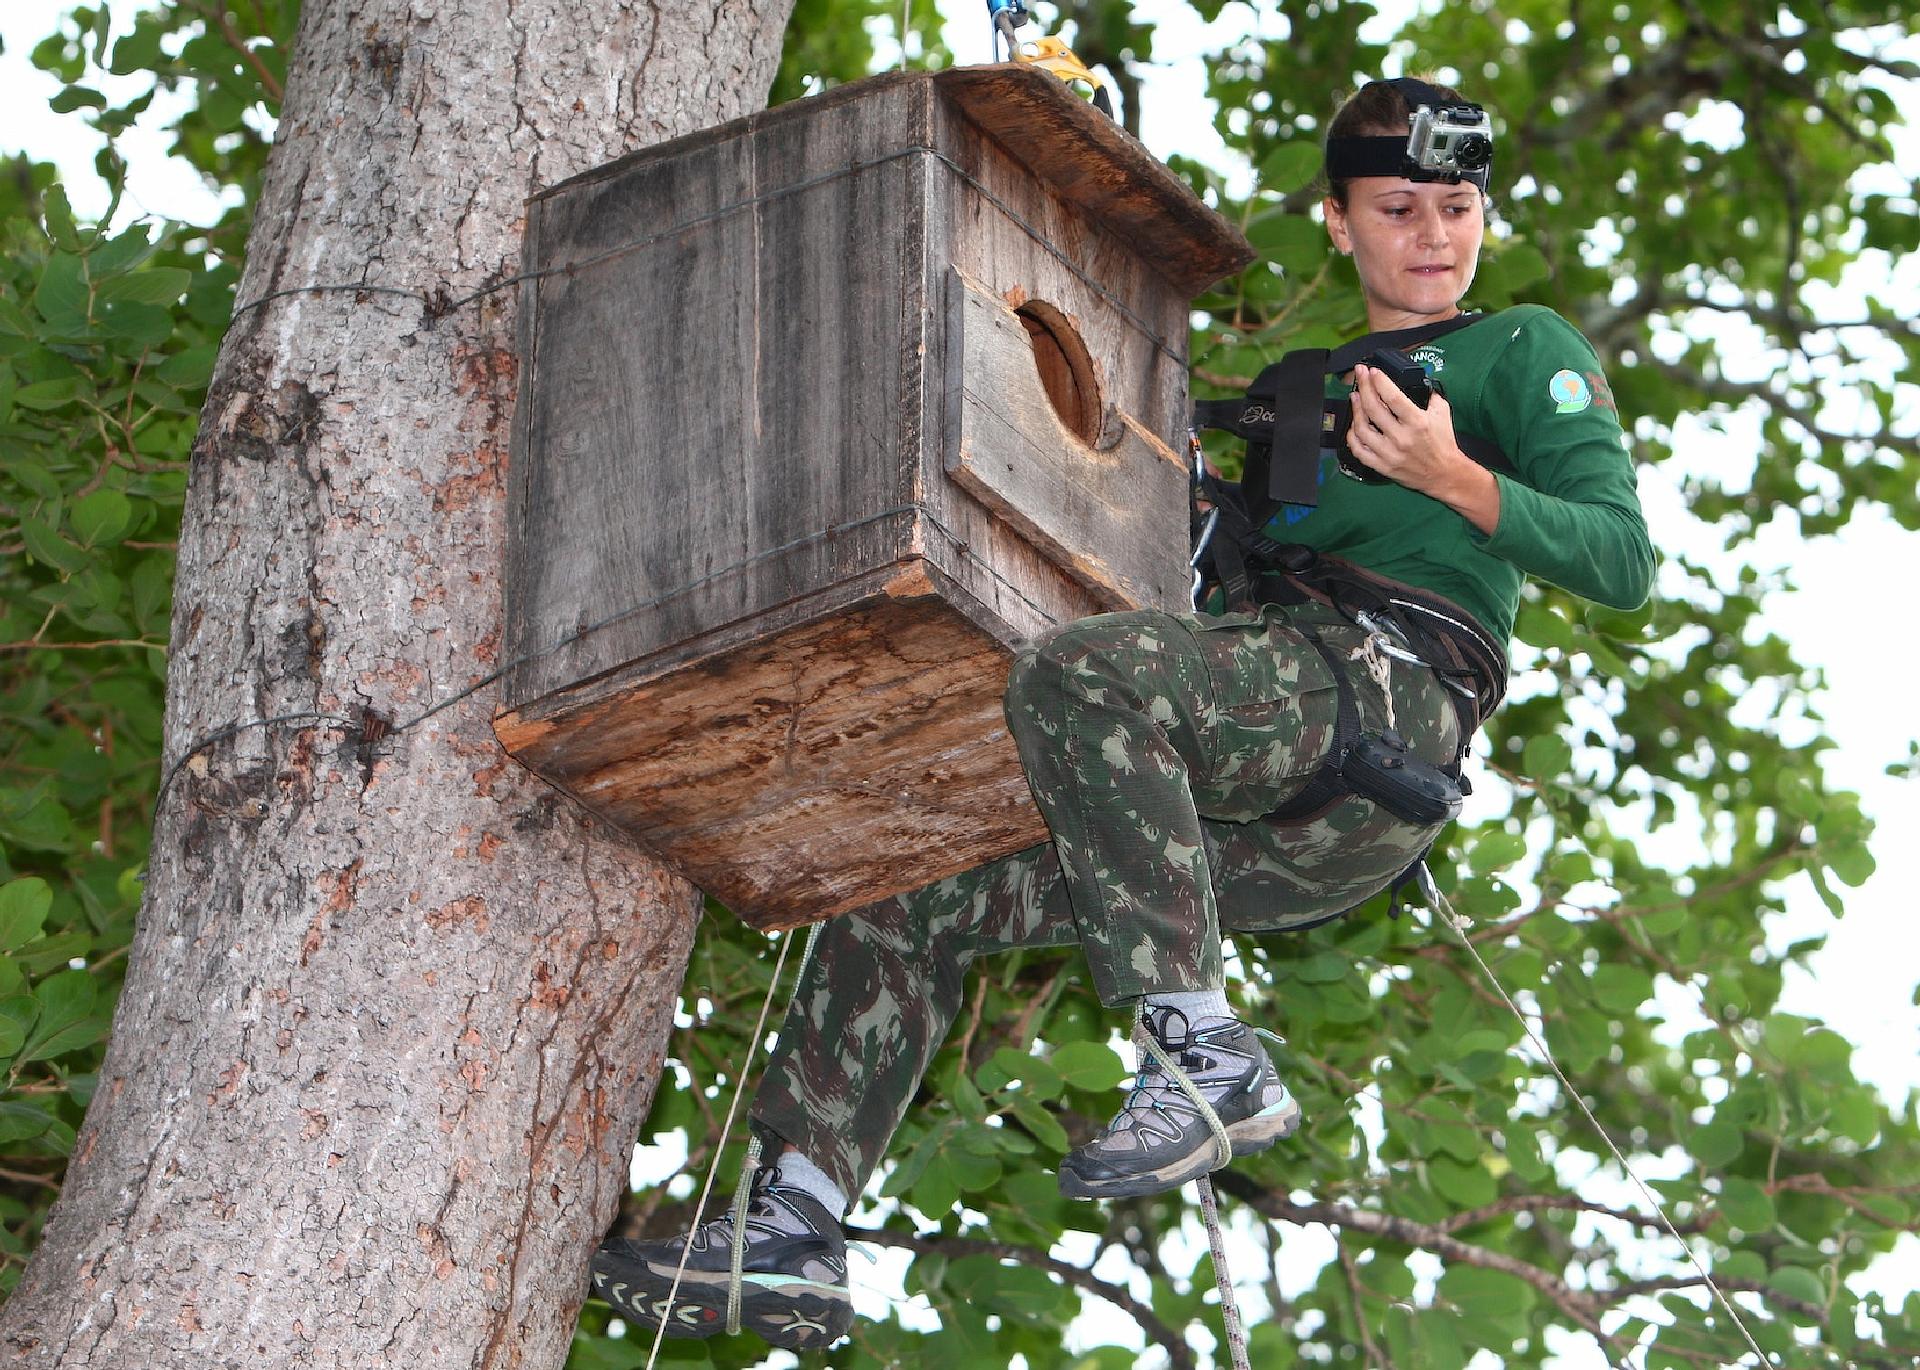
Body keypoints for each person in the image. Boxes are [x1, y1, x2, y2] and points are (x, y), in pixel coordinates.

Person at [589, 75, 1654, 1352]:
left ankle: (1195, 1050)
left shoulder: (1519, 349)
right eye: (1399, 207)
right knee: (900, 887)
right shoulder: (1298, 400)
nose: (1433, 235)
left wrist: (1457, 477)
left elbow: (1621, 559)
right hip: (1261, 796)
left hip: (1384, 693)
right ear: (1339, 222)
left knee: (1086, 675)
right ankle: (796, 1228)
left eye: (1457, 207)